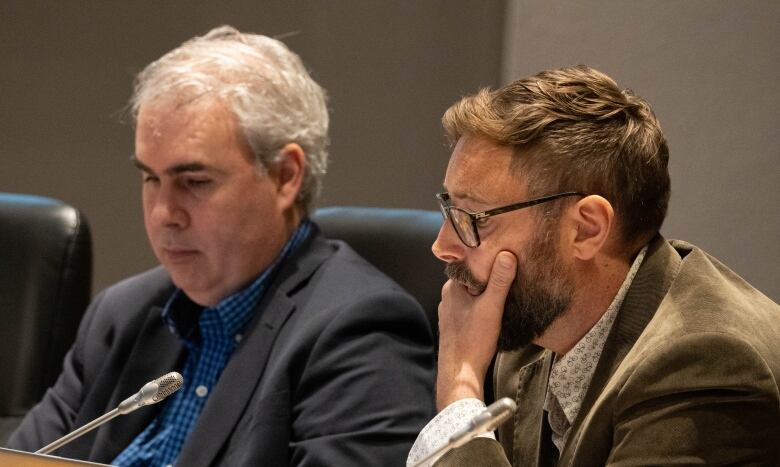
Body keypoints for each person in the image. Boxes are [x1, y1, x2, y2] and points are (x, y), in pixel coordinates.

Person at [7, 25, 435, 466]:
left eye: (194, 182)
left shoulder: (358, 333)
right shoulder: (121, 316)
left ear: (286, 176)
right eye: (151, 179)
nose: (162, 213)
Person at [407, 65, 780, 466]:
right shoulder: (531, 337)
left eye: (475, 218)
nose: (442, 245)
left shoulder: (704, 365)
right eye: (449, 208)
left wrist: (460, 391)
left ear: (586, 229)